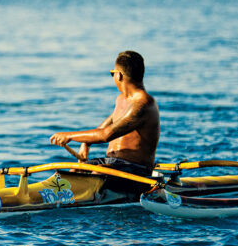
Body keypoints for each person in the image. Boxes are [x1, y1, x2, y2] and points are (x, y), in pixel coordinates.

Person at [49, 50, 160, 187]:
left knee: (97, 176)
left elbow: (106, 135)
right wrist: (85, 144)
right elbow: (103, 128)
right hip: (111, 163)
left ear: (119, 75)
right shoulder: (121, 100)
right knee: (76, 171)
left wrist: (69, 136)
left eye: (112, 73)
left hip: (136, 169)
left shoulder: (143, 104)